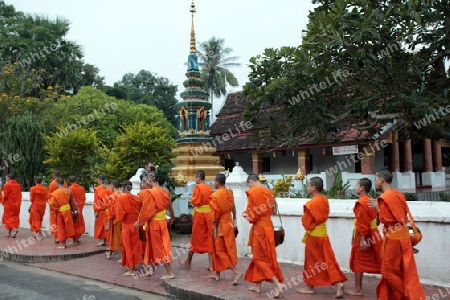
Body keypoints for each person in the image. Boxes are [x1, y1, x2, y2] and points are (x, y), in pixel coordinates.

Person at [369, 170, 426, 300]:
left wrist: (377, 208)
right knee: (398, 269)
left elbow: (386, 220)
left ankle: (406, 296)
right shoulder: (398, 194)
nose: (376, 182)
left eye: (376, 179)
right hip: (402, 236)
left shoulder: (386, 197)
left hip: (394, 238)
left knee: (387, 271)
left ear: (382, 180)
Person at [296, 176, 346, 297]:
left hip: (314, 236)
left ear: (313, 188)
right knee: (327, 260)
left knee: (311, 261)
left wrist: (305, 221)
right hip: (323, 234)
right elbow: (321, 217)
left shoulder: (312, 203)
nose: (307, 188)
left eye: (308, 185)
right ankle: (338, 283)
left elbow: (307, 222)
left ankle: (309, 287)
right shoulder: (324, 200)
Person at [243, 174, 284, 297]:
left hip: (260, 228)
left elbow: (252, 215)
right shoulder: (269, 192)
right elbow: (274, 210)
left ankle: (278, 284)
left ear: (251, 182)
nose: (249, 187)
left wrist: (247, 215)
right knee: (265, 255)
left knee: (258, 258)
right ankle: (257, 286)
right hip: (268, 225)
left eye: (249, 184)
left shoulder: (253, 192)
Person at [136, 172, 175, 279]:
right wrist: (172, 216)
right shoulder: (165, 191)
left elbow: (147, 211)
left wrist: (139, 221)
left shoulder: (150, 192)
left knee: (159, 248)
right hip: (163, 222)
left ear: (150, 180)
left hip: (154, 224)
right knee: (154, 246)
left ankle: (170, 272)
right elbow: (169, 206)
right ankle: (151, 269)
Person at [347, 177, 381, 296]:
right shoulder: (372, 201)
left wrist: (362, 239)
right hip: (375, 233)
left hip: (364, 235)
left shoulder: (361, 203)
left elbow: (362, 223)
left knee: (358, 261)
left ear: (362, 188)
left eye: (356, 186)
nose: (355, 188)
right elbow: (377, 222)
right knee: (380, 258)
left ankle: (357, 290)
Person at [209, 173, 241, 285]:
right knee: (227, 248)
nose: (214, 183)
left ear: (217, 182)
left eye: (214, 181)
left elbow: (216, 214)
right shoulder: (229, 192)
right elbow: (234, 208)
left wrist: (213, 227)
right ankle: (217, 273)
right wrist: (235, 221)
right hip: (229, 222)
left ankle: (236, 272)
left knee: (219, 250)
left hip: (221, 225)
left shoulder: (216, 195)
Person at [180, 170, 214, 270]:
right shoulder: (209, 188)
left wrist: (191, 200)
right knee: (209, 238)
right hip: (209, 215)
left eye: (195, 178)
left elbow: (195, 201)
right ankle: (211, 265)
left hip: (200, 216)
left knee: (195, 239)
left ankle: (188, 261)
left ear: (199, 178)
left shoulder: (198, 187)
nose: (195, 180)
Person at [116, 181, 142, 276]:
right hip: (135, 225)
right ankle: (133, 264)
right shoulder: (137, 198)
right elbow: (140, 211)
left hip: (126, 226)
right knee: (135, 246)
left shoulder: (121, 198)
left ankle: (132, 269)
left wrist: (119, 221)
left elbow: (120, 215)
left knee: (128, 247)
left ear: (123, 188)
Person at [48, 178, 75, 249]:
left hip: (60, 212)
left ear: (57, 184)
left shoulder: (55, 193)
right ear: (64, 183)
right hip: (68, 211)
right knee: (67, 226)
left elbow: (52, 204)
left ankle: (62, 244)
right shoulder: (69, 191)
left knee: (61, 228)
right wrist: (73, 211)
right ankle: (65, 243)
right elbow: (72, 202)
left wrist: (54, 210)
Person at [105, 179, 122, 259]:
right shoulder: (123, 194)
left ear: (112, 186)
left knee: (114, 237)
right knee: (122, 237)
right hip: (122, 219)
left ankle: (110, 251)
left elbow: (111, 211)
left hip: (114, 219)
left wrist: (108, 222)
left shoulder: (112, 197)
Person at [1, 173, 22, 238]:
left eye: (6, 177)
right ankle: (9, 234)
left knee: (7, 218)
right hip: (17, 205)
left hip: (9, 204)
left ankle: (14, 229)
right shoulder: (18, 185)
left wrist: (2, 201)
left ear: (9, 178)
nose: (6, 179)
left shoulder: (7, 185)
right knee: (14, 218)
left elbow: (5, 196)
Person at [48, 171, 66, 242]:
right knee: (62, 223)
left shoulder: (52, 183)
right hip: (63, 206)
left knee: (54, 222)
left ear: (54, 175)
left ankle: (57, 237)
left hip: (54, 206)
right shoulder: (64, 183)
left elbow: (49, 195)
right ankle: (62, 236)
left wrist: (50, 205)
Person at [94, 179, 112, 246]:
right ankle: (109, 243)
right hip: (109, 212)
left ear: (104, 184)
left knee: (101, 227)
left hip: (102, 211)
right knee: (108, 227)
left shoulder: (99, 191)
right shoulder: (112, 192)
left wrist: (95, 210)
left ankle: (102, 241)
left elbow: (97, 202)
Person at [68, 176, 86, 244]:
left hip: (73, 209)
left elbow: (69, 200)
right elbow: (83, 198)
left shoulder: (69, 189)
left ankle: (74, 240)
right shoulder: (82, 188)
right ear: (76, 180)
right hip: (79, 209)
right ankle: (78, 238)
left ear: (69, 182)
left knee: (74, 224)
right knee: (79, 223)